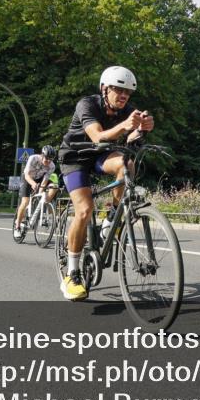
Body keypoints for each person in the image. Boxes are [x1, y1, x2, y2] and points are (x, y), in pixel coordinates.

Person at [57, 66, 154, 301]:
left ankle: (112, 217)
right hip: (75, 158)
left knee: (126, 164)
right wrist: (125, 126)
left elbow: (130, 140)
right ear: (104, 89)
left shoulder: (128, 111)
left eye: (128, 93)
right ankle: (72, 273)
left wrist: (141, 130)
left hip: (101, 157)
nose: (123, 96)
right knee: (84, 209)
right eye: (118, 90)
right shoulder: (87, 104)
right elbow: (98, 136)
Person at [13, 146, 58, 238]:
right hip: (28, 178)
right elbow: (27, 175)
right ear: (42, 155)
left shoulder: (52, 166)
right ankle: (17, 226)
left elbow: (45, 180)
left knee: (54, 186)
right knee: (25, 202)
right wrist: (33, 184)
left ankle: (44, 205)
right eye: (46, 159)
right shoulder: (33, 158)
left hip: (40, 179)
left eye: (51, 159)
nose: (48, 161)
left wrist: (41, 191)